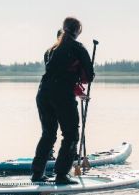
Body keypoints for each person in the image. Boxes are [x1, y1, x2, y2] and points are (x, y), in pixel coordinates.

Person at [30, 17, 95, 184]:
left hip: (43, 94)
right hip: (62, 96)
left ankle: (37, 174)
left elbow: (56, 72)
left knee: (48, 134)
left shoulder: (50, 50)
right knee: (71, 135)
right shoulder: (78, 48)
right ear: (78, 31)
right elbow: (89, 77)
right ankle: (61, 175)